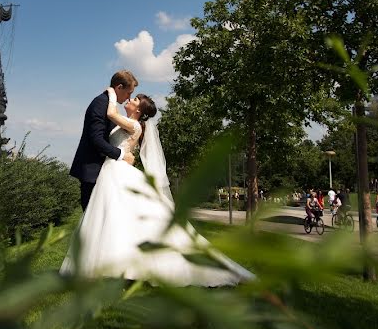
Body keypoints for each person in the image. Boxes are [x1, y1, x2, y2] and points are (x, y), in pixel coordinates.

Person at [60, 87, 254, 287]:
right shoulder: (127, 122)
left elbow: (110, 113)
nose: (130, 99)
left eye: (134, 99)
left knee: (115, 216)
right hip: (113, 170)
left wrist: (110, 93)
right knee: (113, 217)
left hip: (117, 171)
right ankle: (112, 264)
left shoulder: (134, 125)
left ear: (138, 111)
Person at [70, 70, 137, 211]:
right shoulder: (101, 103)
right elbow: (96, 140)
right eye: (128, 93)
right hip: (92, 171)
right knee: (92, 218)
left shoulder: (108, 104)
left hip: (104, 171)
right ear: (119, 87)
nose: (128, 98)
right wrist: (122, 155)